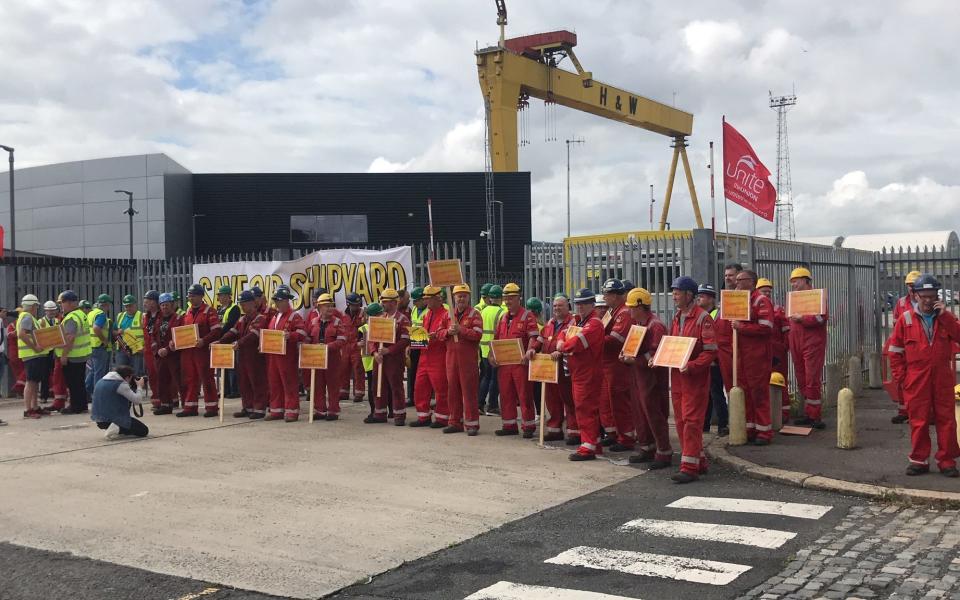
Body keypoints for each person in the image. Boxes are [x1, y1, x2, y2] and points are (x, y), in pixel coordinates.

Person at [888, 274, 960, 477]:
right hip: (916, 378)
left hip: (942, 378)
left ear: (937, 296)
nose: (928, 300)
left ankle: (947, 461)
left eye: (931, 295)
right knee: (918, 420)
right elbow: (895, 351)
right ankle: (919, 460)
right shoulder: (906, 319)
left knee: (946, 419)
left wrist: (945, 316)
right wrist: (902, 378)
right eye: (924, 296)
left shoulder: (946, 317)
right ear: (916, 295)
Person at [662, 276, 717, 483]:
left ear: (689, 295)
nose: (674, 296)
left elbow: (711, 351)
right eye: (673, 292)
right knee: (681, 420)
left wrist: (692, 366)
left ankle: (688, 468)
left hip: (694, 378)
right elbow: (672, 344)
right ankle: (698, 461)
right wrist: (659, 357)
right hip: (678, 376)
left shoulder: (703, 318)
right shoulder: (677, 317)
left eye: (677, 292)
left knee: (692, 422)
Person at [621, 287, 672, 469]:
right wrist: (626, 354)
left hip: (653, 378)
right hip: (640, 375)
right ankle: (647, 447)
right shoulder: (641, 325)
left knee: (654, 413)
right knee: (640, 412)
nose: (629, 310)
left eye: (632, 307)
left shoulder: (655, 326)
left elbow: (655, 353)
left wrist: (633, 359)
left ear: (641, 307)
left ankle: (663, 451)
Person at [489, 283, 539, 438]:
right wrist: (491, 356)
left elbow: (533, 336)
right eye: (506, 298)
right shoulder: (503, 317)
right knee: (505, 394)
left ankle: (528, 426)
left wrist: (529, 351)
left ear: (519, 298)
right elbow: (495, 339)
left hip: (520, 363)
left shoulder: (527, 315)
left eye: (511, 298)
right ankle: (509, 425)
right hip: (504, 364)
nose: (508, 301)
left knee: (524, 395)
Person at [561, 289, 605, 460]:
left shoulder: (593, 324)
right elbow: (563, 334)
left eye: (584, 303)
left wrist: (562, 346)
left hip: (588, 374)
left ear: (592, 304)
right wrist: (562, 341)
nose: (580, 307)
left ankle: (588, 447)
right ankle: (594, 442)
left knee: (585, 408)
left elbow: (575, 343)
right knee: (584, 408)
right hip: (579, 373)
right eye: (578, 303)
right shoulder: (580, 322)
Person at [528, 294, 578, 444]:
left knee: (569, 399)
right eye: (555, 306)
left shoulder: (574, 323)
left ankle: (574, 431)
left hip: (565, 368)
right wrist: (532, 349)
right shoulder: (550, 324)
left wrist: (561, 352)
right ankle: (554, 430)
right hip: (549, 367)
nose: (556, 308)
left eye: (560, 305)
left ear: (567, 306)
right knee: (551, 399)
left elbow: (573, 342)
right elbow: (540, 340)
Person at [733, 269, 775, 445]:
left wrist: (741, 327)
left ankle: (764, 432)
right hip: (743, 354)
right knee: (746, 392)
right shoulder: (742, 300)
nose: (736, 284)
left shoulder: (761, 300)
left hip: (757, 355)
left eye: (740, 280)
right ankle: (750, 428)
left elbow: (766, 327)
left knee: (758, 392)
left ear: (750, 281)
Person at [439, 284, 483, 435]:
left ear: (469, 297)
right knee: (452, 391)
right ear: (454, 298)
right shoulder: (447, 315)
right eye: (458, 296)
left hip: (468, 361)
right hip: (451, 359)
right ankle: (454, 422)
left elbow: (477, 335)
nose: (461, 298)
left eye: (464, 295)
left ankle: (471, 424)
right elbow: (438, 333)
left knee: (469, 392)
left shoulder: (474, 314)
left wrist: (461, 330)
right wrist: (447, 332)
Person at [788, 267, 828, 429]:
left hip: (813, 342)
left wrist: (802, 318)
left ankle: (815, 415)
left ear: (806, 280)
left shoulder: (817, 296)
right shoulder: (793, 299)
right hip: (796, 341)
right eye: (792, 282)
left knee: (812, 379)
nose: (793, 284)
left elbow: (821, 318)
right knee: (801, 378)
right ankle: (808, 412)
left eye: (796, 281)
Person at [219, 290, 268, 419]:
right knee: (243, 382)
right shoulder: (242, 319)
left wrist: (238, 343)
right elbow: (233, 331)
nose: (242, 306)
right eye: (241, 304)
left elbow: (253, 336)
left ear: (253, 303)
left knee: (257, 382)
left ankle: (259, 409)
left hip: (255, 357)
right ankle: (247, 407)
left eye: (245, 303)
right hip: (242, 356)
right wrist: (220, 341)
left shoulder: (260, 318)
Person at [176, 284, 222, 418]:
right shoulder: (187, 313)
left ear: (201, 296)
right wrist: (176, 341)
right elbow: (183, 332)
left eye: (193, 296)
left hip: (203, 351)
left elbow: (216, 331)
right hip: (189, 352)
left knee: (207, 378)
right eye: (189, 296)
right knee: (190, 379)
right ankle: (190, 407)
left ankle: (212, 407)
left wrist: (204, 340)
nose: (190, 298)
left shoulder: (209, 311)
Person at [263, 285, 307, 422]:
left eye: (279, 301)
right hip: (273, 356)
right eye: (276, 301)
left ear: (286, 301)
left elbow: (303, 333)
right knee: (274, 383)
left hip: (287, 356)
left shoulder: (294, 316)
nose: (277, 303)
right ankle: (276, 410)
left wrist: (291, 335)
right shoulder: (275, 317)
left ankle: (291, 412)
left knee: (289, 383)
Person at [600, 278, 634, 451]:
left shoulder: (624, 313)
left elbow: (615, 339)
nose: (604, 297)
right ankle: (613, 433)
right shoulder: (613, 311)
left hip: (618, 364)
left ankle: (626, 438)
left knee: (620, 402)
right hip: (609, 364)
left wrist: (593, 339)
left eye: (607, 294)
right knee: (608, 402)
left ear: (616, 295)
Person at [411, 286, 451, 428]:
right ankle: (423, 416)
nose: (426, 301)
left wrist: (436, 335)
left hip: (438, 356)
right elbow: (422, 333)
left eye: (428, 298)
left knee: (441, 388)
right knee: (420, 387)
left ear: (437, 298)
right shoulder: (427, 314)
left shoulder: (446, 314)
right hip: (424, 355)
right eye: (425, 298)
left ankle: (442, 418)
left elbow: (448, 334)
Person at [370, 288, 410, 425]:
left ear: (394, 303)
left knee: (396, 386)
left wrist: (390, 350)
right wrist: (374, 353)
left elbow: (405, 340)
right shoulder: (379, 319)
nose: (382, 304)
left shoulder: (402, 319)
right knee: (377, 386)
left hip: (394, 359)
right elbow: (372, 340)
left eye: (385, 302)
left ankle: (399, 415)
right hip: (380, 358)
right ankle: (379, 413)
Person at [887, 271, 921, 424]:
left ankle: (923, 413)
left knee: (921, 382)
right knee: (901, 379)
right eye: (909, 285)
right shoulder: (901, 303)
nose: (911, 289)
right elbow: (895, 324)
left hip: (920, 348)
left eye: (913, 285)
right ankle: (903, 411)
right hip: (904, 347)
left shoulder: (928, 301)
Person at [756, 278, 791, 424]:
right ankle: (769, 413)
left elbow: (787, 331)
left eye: (769, 292)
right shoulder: (756, 309)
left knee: (780, 380)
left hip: (777, 352)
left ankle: (783, 413)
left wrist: (783, 347)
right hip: (761, 351)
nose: (767, 294)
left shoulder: (778, 310)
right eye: (764, 291)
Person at [308, 293, 348, 421]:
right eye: (327, 306)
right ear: (319, 307)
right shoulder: (313, 322)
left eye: (331, 306)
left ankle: (333, 411)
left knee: (333, 385)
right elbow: (308, 337)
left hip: (332, 359)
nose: (330, 309)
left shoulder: (337, 322)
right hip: (316, 358)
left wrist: (326, 347)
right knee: (317, 384)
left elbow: (342, 340)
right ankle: (319, 410)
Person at [696, 284, 728, 436]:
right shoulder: (702, 314)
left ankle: (723, 424)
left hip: (714, 359)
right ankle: (705, 424)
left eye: (702, 296)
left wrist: (713, 358)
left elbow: (717, 338)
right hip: (705, 359)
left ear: (710, 298)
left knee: (715, 392)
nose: (699, 299)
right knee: (706, 393)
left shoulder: (716, 314)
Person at [56, 291, 92, 414]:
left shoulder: (71, 317)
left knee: (73, 383)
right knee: (80, 382)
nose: (61, 306)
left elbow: (70, 338)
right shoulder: (80, 314)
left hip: (73, 355)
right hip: (81, 354)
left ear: (70, 303)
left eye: (62, 303)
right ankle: (82, 405)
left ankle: (75, 406)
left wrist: (64, 354)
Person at [92, 364, 149, 439]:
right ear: (127, 377)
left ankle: (117, 428)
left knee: (130, 427)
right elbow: (137, 400)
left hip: (99, 420)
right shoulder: (120, 384)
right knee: (143, 430)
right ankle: (117, 428)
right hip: (113, 419)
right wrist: (139, 387)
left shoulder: (101, 381)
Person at [17, 294, 48, 418]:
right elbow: (22, 334)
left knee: (34, 381)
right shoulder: (27, 317)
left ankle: (35, 407)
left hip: (34, 355)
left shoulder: (26, 317)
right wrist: (35, 347)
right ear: (32, 306)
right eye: (36, 306)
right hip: (32, 354)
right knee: (30, 382)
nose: (37, 308)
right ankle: (28, 409)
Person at [151, 293, 181, 415]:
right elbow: (153, 336)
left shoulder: (179, 319)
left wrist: (167, 349)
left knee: (179, 380)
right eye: (162, 305)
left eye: (167, 305)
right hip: (160, 356)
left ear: (172, 305)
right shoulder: (158, 320)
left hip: (174, 355)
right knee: (162, 380)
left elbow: (179, 337)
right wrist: (156, 348)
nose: (164, 308)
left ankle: (188, 405)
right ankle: (165, 405)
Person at [478, 285, 505, 415]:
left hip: (483, 348)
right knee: (495, 379)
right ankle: (492, 406)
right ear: (501, 298)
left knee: (485, 377)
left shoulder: (483, 310)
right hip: (495, 350)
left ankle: (479, 404)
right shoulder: (501, 313)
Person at [39, 300, 67, 411]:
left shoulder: (58, 320)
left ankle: (55, 394)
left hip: (55, 350)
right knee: (45, 374)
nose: (51, 312)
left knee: (57, 375)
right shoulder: (41, 321)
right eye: (48, 310)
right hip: (46, 351)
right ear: (45, 311)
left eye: (52, 310)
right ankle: (44, 396)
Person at [85, 294, 114, 399]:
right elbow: (96, 328)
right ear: (106, 304)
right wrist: (104, 340)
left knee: (93, 371)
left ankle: (86, 392)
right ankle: (98, 396)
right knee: (99, 373)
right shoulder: (101, 314)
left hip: (91, 346)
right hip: (99, 346)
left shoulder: (91, 313)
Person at [216, 285, 241, 398]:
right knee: (223, 367)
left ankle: (234, 390)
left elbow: (230, 324)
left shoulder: (234, 308)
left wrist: (219, 334)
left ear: (227, 296)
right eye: (219, 296)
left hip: (230, 341)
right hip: (221, 341)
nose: (219, 298)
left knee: (232, 368)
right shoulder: (219, 309)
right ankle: (225, 390)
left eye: (221, 295)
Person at [340, 293, 366, 402]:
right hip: (345, 346)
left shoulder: (363, 314)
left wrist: (362, 341)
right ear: (348, 304)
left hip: (357, 346)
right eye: (354, 305)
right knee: (343, 369)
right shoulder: (343, 315)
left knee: (358, 369)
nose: (356, 307)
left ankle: (359, 392)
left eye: (358, 304)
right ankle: (343, 392)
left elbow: (366, 329)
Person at [114, 295, 145, 377]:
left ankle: (135, 389)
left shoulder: (142, 316)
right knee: (120, 374)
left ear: (135, 305)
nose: (128, 308)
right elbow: (113, 331)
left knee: (136, 374)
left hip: (137, 351)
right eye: (126, 306)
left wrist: (144, 347)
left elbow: (148, 333)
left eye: (130, 306)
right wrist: (117, 332)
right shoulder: (120, 316)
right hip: (122, 349)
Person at [407, 287, 427, 407]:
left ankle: (424, 397)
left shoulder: (429, 311)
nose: (414, 303)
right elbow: (412, 325)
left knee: (423, 373)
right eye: (413, 301)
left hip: (425, 344)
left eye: (416, 300)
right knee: (411, 371)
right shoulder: (414, 309)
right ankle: (411, 397)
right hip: (415, 342)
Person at [141, 290, 161, 408]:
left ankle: (166, 398)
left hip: (158, 349)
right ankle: (156, 399)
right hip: (148, 350)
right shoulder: (146, 316)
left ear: (154, 302)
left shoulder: (161, 315)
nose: (145, 303)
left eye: (147, 301)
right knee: (152, 375)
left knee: (161, 374)